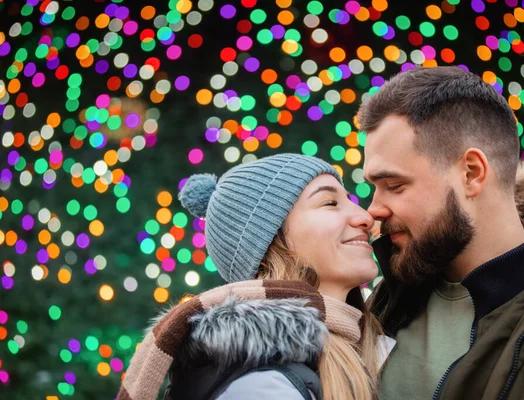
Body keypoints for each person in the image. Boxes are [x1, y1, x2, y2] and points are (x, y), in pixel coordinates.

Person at [358, 66, 524, 399]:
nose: (374, 209)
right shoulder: (379, 308)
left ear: (472, 173)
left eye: (394, 185)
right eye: (374, 186)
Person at [117, 153, 393, 400]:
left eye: (351, 201)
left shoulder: (361, 349)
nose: (364, 216)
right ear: (270, 244)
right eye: (330, 202)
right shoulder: (260, 382)